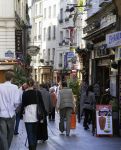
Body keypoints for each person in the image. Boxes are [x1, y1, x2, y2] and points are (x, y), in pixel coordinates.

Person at [21, 78, 46, 150]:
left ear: (27, 84)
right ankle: (34, 147)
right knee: (35, 133)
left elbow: (23, 105)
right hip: (36, 116)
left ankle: (31, 147)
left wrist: (20, 115)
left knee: (29, 134)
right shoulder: (38, 93)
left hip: (27, 116)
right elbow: (42, 104)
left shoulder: (25, 93)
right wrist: (43, 115)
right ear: (33, 84)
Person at [0, 71, 20, 150]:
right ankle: (6, 148)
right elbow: (16, 102)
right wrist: (15, 108)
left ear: (5, 77)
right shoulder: (15, 87)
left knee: (2, 134)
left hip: (1, 114)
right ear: (12, 78)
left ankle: (5, 148)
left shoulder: (0, 86)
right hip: (11, 114)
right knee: (10, 133)